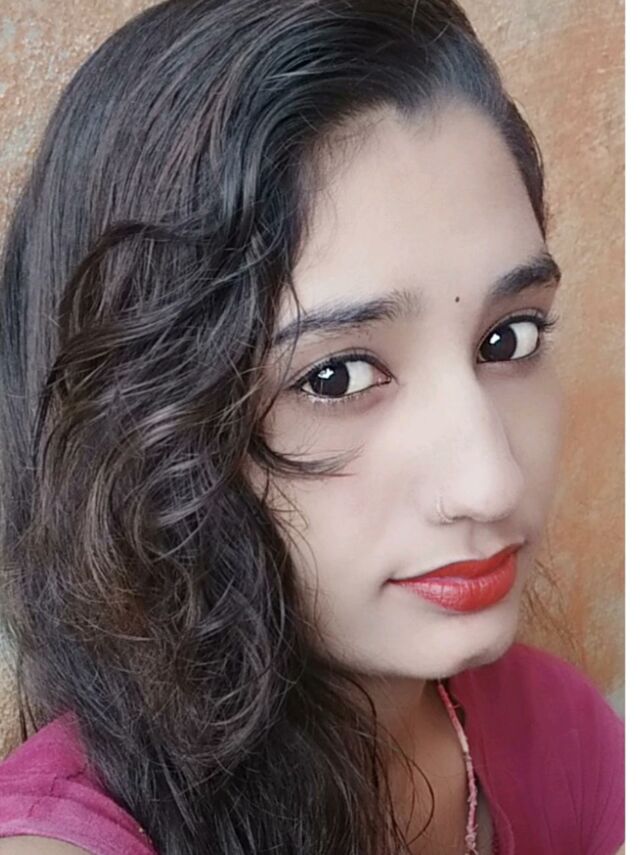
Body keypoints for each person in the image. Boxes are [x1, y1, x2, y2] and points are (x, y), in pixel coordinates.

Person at [0, 0, 624, 853]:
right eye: (335, 376)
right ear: (142, 432)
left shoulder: (557, 726)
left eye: (507, 338)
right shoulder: (76, 833)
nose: (493, 482)